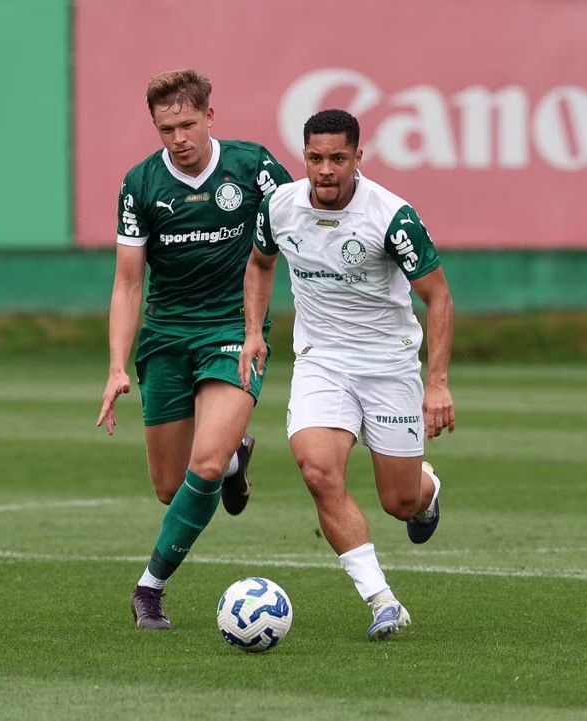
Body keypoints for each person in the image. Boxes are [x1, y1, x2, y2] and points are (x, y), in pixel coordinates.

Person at [239, 108, 455, 641]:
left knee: (398, 502)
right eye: (315, 158)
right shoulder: (279, 207)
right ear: (304, 156)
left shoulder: (392, 216)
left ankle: (427, 490)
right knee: (318, 471)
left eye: (338, 158)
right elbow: (260, 264)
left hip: (388, 366)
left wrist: (437, 383)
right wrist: (253, 332)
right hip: (322, 361)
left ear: (359, 156)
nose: (325, 170)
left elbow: (438, 297)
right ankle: (382, 600)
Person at [95, 68, 294, 630]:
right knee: (170, 487)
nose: (179, 138)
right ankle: (234, 457)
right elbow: (128, 283)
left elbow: (305, 225)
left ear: (210, 116)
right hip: (166, 337)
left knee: (201, 467)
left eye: (187, 125)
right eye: (167, 129)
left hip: (233, 332)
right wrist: (115, 367)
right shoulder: (140, 185)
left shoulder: (253, 168)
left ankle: (149, 589)